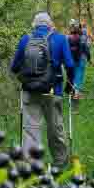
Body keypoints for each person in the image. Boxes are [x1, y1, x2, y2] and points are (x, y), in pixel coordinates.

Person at [10, 12, 75, 169]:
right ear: (50, 24)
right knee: (55, 127)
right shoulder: (60, 39)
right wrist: (69, 85)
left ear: (34, 25)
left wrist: (27, 77)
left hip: (29, 91)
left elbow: (14, 67)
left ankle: (32, 165)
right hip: (53, 91)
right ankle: (60, 163)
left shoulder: (26, 39)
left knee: (31, 129)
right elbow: (70, 65)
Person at [65, 19, 91, 99]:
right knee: (79, 74)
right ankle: (76, 93)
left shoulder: (67, 37)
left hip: (72, 58)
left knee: (74, 74)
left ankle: (72, 91)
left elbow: (66, 49)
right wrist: (89, 57)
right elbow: (86, 48)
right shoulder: (82, 36)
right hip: (81, 58)